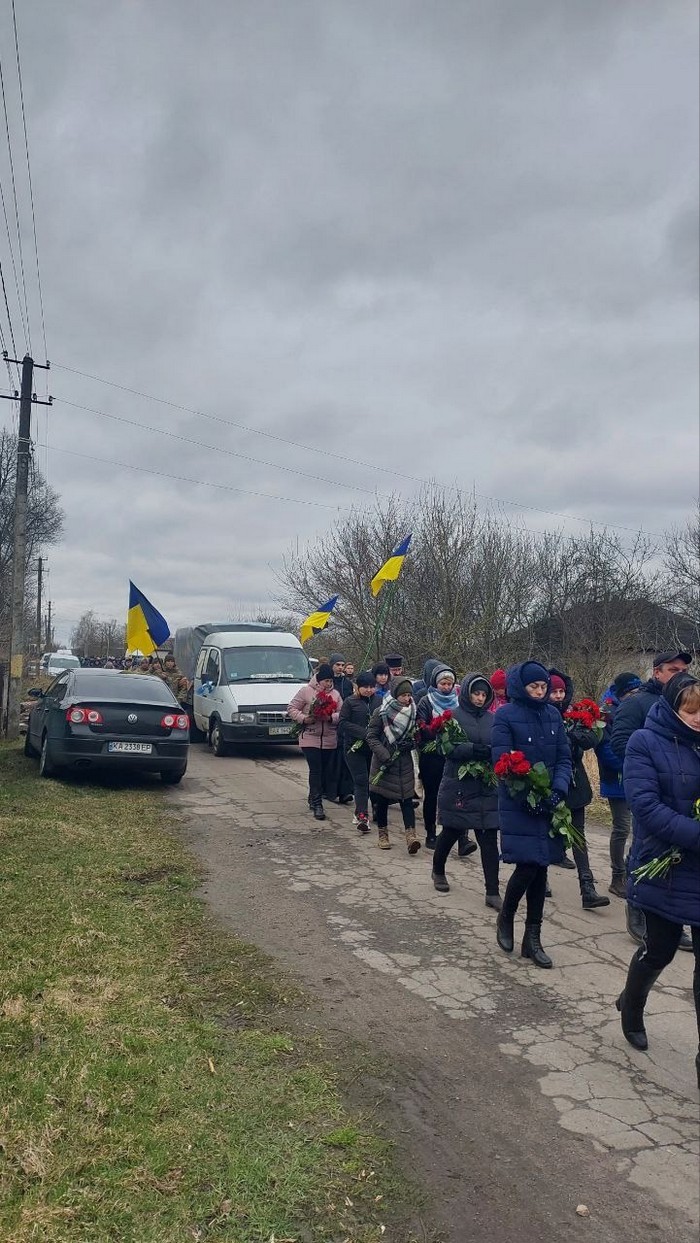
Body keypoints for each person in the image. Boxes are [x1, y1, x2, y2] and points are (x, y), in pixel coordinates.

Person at [616, 671, 700, 1088]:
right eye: (691, 710)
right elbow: (646, 807)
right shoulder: (644, 742)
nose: (698, 718)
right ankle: (632, 1006)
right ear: (672, 708)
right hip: (665, 866)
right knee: (660, 950)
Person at [612, 649, 694, 950]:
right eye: (673, 669)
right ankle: (638, 910)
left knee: (678, 857)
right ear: (657, 672)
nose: (680, 675)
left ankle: (673, 918)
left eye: (684, 670)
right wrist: (651, 768)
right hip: (650, 788)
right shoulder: (637, 703)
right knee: (645, 847)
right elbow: (619, 741)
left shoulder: (691, 704)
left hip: (684, 792)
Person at [492, 662, 572, 969]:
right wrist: (526, 796)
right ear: (521, 687)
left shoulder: (553, 715)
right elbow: (502, 761)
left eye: (543, 687)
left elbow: (563, 758)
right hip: (519, 802)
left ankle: (533, 938)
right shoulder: (505, 715)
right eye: (533, 687)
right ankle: (507, 915)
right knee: (528, 866)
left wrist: (558, 791)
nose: (540, 692)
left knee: (542, 867)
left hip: (549, 800)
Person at [432, 673, 501, 908]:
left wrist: (494, 753)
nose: (480, 698)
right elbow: (445, 747)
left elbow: (501, 745)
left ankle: (492, 891)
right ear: (467, 694)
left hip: (486, 784)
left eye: (483, 694)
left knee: (489, 838)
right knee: (452, 830)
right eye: (476, 693)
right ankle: (438, 870)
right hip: (460, 784)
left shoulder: (494, 719)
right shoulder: (453, 716)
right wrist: (471, 749)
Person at [548, 669, 610, 910]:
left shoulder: (574, 715)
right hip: (548, 782)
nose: (558, 696)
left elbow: (590, 740)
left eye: (561, 691)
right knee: (546, 832)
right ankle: (539, 879)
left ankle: (587, 887)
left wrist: (577, 734)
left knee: (578, 835)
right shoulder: (539, 716)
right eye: (554, 691)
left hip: (574, 782)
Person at [597, 672, 642, 898]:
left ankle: (631, 871)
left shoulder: (637, 709)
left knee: (639, 828)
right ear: (622, 693)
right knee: (622, 827)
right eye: (633, 692)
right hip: (616, 778)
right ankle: (617, 876)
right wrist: (632, 763)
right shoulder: (606, 713)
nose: (636, 696)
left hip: (637, 776)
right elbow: (605, 749)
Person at [366, 676, 421, 854]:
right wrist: (385, 754)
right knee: (382, 800)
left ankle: (411, 836)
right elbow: (371, 737)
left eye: (409, 695)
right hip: (385, 762)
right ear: (395, 695)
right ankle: (383, 835)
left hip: (404, 763)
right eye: (403, 695)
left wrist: (412, 743)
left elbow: (417, 735)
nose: (407, 699)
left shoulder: (413, 711)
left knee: (407, 799)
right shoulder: (382, 712)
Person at [417, 664, 466, 852]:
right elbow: (421, 726)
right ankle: (430, 832)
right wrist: (438, 730)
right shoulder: (426, 701)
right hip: (432, 756)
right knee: (432, 795)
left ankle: (461, 837)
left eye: (449, 684)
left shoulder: (459, 701)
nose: (446, 687)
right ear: (436, 683)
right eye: (443, 683)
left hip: (454, 755)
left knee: (458, 795)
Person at [287, 663, 342, 821]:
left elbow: (342, 713)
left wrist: (330, 717)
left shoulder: (336, 695)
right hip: (310, 737)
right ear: (319, 680)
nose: (328, 684)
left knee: (324, 770)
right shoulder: (306, 691)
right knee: (316, 769)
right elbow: (291, 708)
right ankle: (318, 804)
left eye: (330, 681)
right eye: (326, 681)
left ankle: (313, 795)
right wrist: (305, 718)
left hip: (329, 738)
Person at [338, 671, 377, 832]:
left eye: (371, 687)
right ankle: (362, 815)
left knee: (373, 782)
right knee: (361, 780)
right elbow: (343, 723)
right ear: (358, 687)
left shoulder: (379, 701)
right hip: (354, 748)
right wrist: (363, 733)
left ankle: (372, 809)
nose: (368, 690)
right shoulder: (350, 702)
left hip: (373, 749)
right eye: (365, 687)